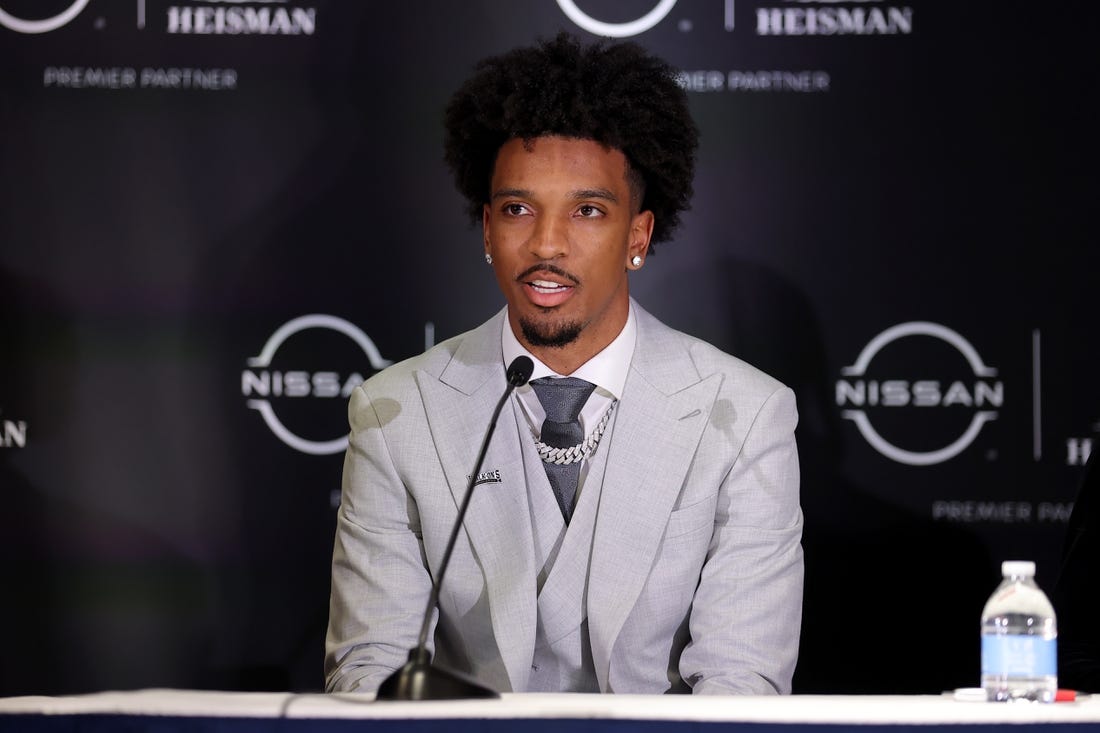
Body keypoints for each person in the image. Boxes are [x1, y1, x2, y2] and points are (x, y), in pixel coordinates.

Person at [324, 32, 803, 695]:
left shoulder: (745, 414)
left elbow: (740, 682)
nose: (546, 244)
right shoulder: (397, 411)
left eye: (587, 210)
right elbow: (368, 672)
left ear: (638, 234)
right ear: (487, 228)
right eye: (518, 209)